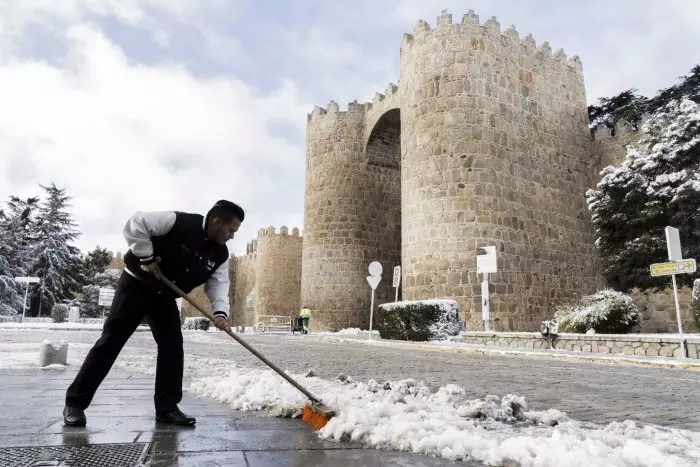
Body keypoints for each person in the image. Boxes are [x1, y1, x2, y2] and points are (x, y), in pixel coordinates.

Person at [63, 200, 245, 427]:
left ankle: (167, 408)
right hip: (136, 285)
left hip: (164, 296)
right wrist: (146, 257)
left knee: (172, 346)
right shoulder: (179, 222)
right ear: (217, 222)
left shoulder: (220, 254)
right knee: (111, 342)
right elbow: (136, 222)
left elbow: (218, 284)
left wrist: (220, 313)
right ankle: (75, 403)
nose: (232, 236)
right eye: (231, 230)